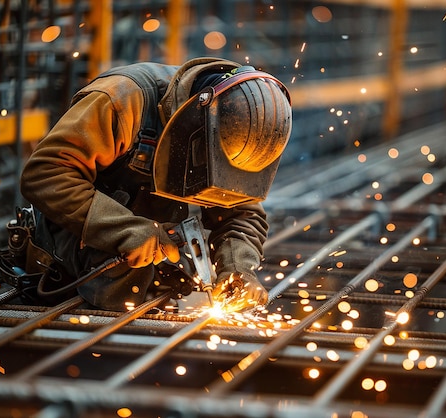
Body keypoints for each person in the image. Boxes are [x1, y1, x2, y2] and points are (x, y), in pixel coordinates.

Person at [19, 57, 292, 312]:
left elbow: (241, 212)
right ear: (196, 124)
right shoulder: (121, 101)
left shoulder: (239, 127)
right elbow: (45, 174)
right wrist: (125, 230)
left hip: (152, 244)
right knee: (127, 271)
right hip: (74, 241)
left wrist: (238, 269)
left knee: (174, 272)